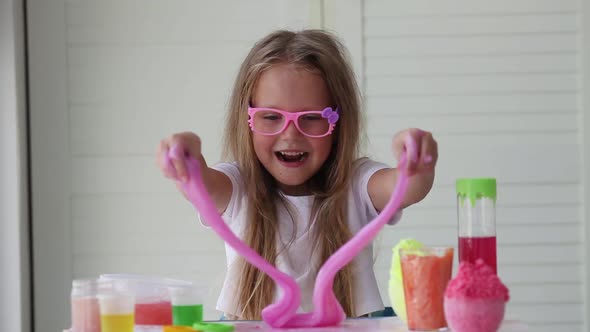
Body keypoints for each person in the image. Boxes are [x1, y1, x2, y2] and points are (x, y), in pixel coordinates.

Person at [156, 29, 438, 320]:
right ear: (247, 119)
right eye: (271, 117)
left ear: (339, 122)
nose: (290, 135)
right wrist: (185, 159)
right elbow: (200, 184)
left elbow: (407, 187)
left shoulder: (356, 183)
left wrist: (416, 162)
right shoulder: (238, 185)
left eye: (312, 118)